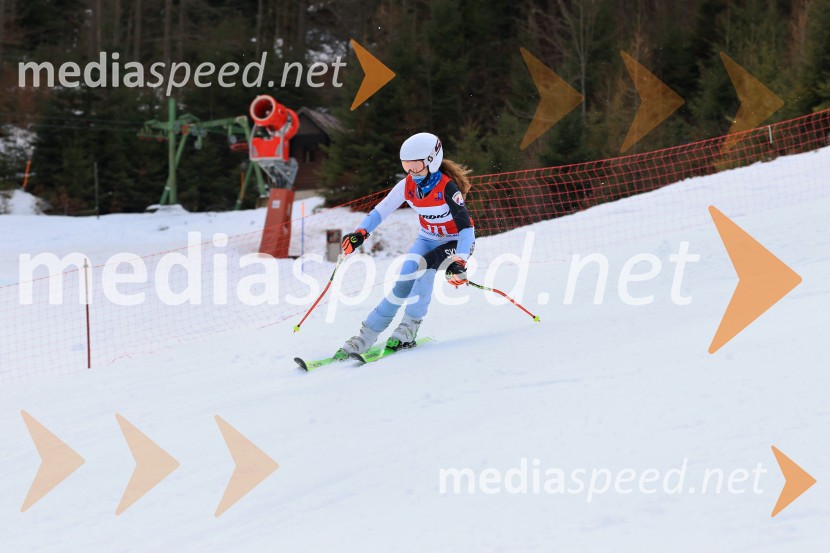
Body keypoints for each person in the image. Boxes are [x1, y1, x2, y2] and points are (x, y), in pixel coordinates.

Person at [337, 132, 475, 356]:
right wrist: (360, 234)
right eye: (406, 166)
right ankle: (367, 334)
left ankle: (408, 329)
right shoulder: (407, 185)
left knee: (425, 267)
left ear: (432, 160)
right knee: (402, 284)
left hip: (455, 241)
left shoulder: (447, 188)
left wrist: (460, 261)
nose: (411, 172)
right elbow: (381, 210)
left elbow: (466, 229)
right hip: (426, 239)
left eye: (416, 166)